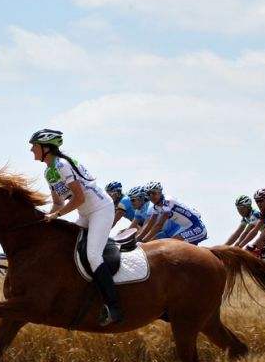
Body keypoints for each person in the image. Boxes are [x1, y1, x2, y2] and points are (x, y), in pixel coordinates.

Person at [29, 128, 122, 326]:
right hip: (85, 213)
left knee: (93, 255)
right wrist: (45, 217)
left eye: (34, 146)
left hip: (101, 210)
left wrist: (57, 215)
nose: (31, 150)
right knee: (67, 248)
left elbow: (78, 198)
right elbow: (58, 204)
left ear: (46, 148)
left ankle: (114, 307)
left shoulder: (62, 165)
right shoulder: (49, 172)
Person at [141, 182, 207, 245]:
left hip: (196, 227)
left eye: (153, 193)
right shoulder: (156, 207)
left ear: (160, 192)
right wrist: (138, 239)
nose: (151, 196)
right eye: (148, 194)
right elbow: (150, 224)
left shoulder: (167, 201)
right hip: (186, 227)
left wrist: (143, 241)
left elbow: (159, 225)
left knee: (171, 244)